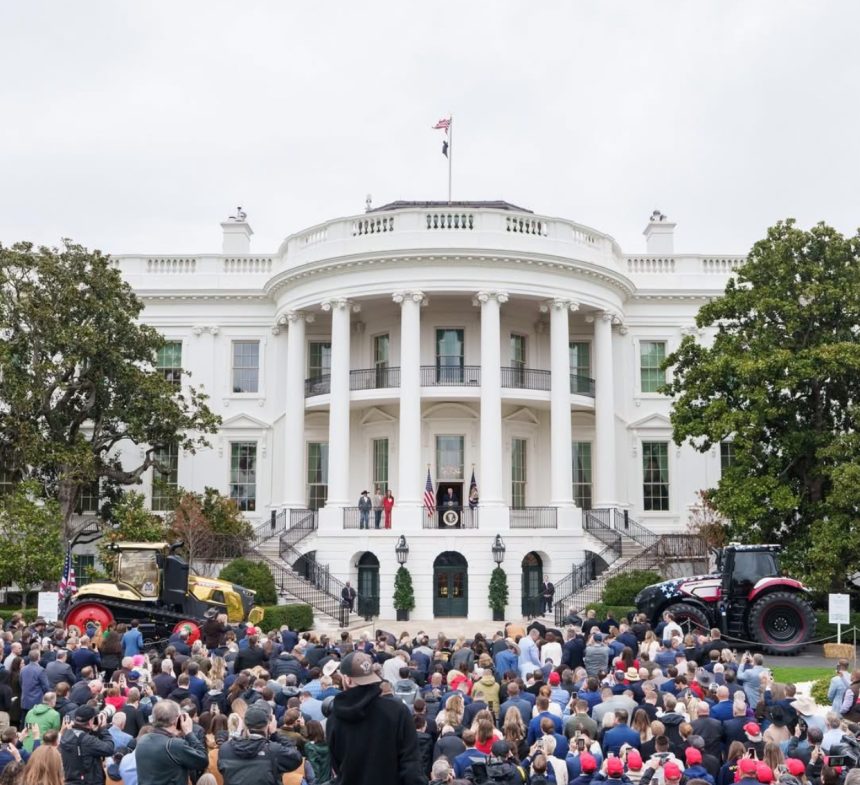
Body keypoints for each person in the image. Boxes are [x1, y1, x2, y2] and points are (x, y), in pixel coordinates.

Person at [327, 650, 425, 785]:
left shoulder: (334, 719)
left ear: (347, 679)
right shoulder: (397, 711)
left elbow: (337, 766)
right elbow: (411, 765)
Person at [218, 702, 302, 784]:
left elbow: (222, 770)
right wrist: (274, 734)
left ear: (245, 723)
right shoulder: (273, 751)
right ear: (268, 725)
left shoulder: (225, 749)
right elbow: (296, 758)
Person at [135, 700, 209, 785]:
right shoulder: (173, 745)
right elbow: (203, 760)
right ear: (176, 720)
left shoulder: (142, 740)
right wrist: (189, 733)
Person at [58, 706, 116, 785]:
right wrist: (103, 729)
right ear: (90, 721)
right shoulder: (87, 740)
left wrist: (94, 732)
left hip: (71, 781)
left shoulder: (67, 734)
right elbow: (109, 749)